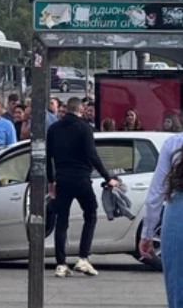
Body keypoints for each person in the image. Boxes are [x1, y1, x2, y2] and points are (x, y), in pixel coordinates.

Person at [46, 97, 119, 278]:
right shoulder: (85, 128)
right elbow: (92, 155)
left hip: (62, 179)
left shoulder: (54, 129)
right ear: (80, 110)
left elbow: (48, 157)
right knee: (91, 214)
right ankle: (83, 258)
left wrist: (51, 181)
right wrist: (107, 177)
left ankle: (61, 264)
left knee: (61, 221)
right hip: (81, 179)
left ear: (66, 109)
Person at [139, 134, 183, 308]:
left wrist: (147, 232)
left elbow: (156, 193)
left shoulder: (174, 143)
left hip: (178, 216)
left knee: (177, 288)